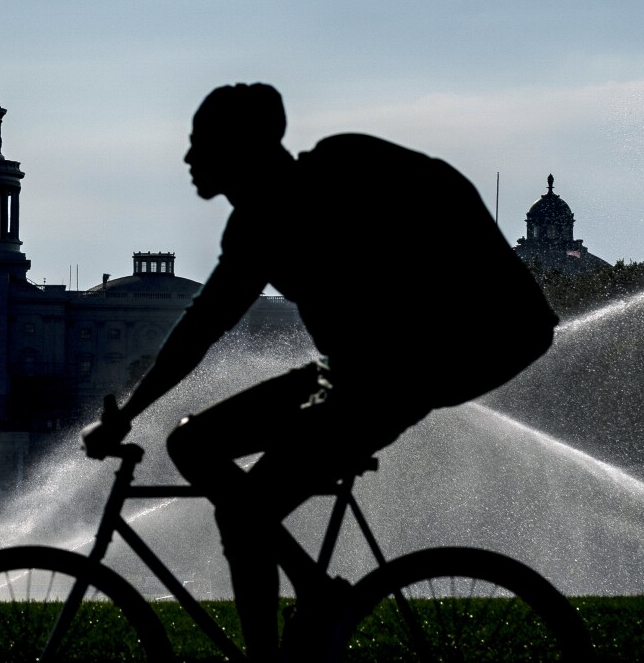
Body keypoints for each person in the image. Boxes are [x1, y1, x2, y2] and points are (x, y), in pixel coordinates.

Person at [83, 84, 557, 661]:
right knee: (192, 443)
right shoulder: (255, 226)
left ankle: (278, 646)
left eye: (199, 144)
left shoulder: (334, 172)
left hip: (410, 366)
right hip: (360, 371)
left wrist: (124, 418)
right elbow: (199, 331)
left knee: (244, 512)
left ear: (241, 147)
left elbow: (200, 333)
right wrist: (131, 414)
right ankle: (312, 590)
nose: (189, 159)